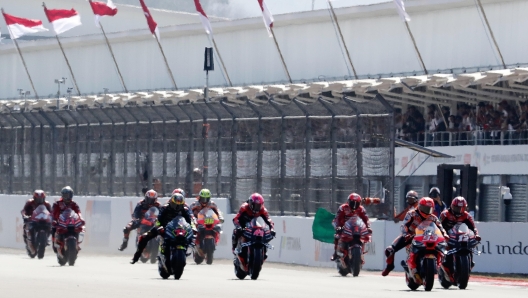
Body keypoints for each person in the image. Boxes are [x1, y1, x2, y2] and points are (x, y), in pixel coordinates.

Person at [382, 197, 447, 278]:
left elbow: (440, 228)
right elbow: (404, 225)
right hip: (411, 236)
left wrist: (444, 234)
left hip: (427, 237)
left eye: (429, 209)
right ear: (419, 206)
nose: (426, 211)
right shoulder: (411, 214)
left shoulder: (433, 217)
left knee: (443, 249)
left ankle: (440, 267)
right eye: (424, 208)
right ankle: (389, 266)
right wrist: (406, 233)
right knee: (389, 250)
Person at [131, 193, 196, 264]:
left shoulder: (185, 209)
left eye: (180, 205)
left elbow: (191, 219)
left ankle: (188, 250)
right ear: (172, 202)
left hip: (179, 228)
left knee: (192, 237)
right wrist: (159, 226)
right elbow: (158, 219)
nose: (177, 207)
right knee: (145, 237)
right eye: (176, 204)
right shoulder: (165, 208)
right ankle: (137, 256)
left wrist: (193, 227)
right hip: (166, 227)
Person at [440, 196, 481, 280]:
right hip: (448, 238)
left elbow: (473, 228)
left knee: (470, 246)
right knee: (445, 249)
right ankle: (445, 266)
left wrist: (476, 235)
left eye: (462, 208)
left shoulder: (467, 216)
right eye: (457, 208)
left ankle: (469, 263)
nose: (459, 210)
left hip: (461, 237)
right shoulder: (445, 214)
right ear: (452, 206)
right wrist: (442, 235)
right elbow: (438, 226)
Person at [331, 193, 372, 261]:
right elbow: (337, 218)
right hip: (344, 227)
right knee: (337, 236)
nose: (354, 205)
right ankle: (336, 253)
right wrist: (338, 227)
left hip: (356, 228)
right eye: (352, 203)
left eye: (356, 203)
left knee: (365, 237)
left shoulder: (361, 209)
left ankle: (361, 253)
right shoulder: (343, 208)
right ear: (348, 201)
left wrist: (368, 227)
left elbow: (366, 219)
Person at [51, 186, 84, 253]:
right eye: (66, 195)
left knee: (78, 228)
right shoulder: (57, 203)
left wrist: (81, 218)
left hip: (71, 221)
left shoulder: (74, 203)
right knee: (53, 228)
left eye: (69, 195)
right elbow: (54, 213)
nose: (67, 197)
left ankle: (76, 243)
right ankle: (55, 243)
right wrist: (54, 220)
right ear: (62, 195)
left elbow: (78, 212)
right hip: (60, 222)